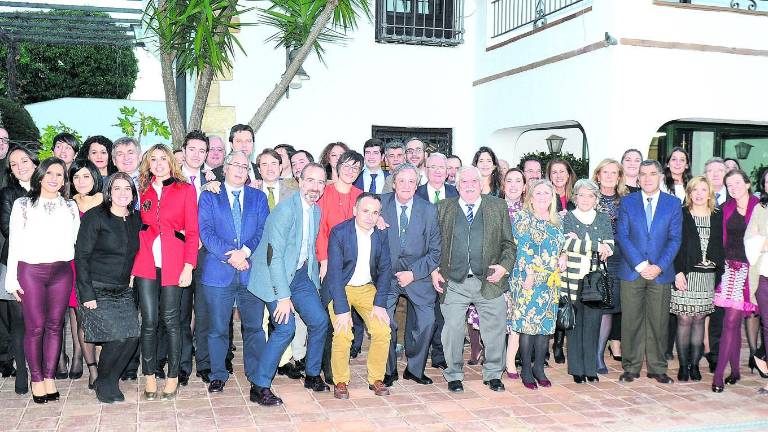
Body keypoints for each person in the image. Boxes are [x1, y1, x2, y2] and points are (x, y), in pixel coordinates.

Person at [247, 163, 330, 406]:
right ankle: (259, 385)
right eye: (310, 181)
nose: (315, 187)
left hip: (299, 275)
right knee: (285, 328)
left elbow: (307, 252)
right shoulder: (285, 210)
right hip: (273, 276)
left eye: (320, 182)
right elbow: (275, 257)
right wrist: (284, 298)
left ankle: (312, 374)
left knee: (319, 320)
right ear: (300, 181)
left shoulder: (315, 211)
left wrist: (313, 284)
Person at [432, 166, 515, 393]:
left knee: (495, 329)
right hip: (454, 281)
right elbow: (431, 243)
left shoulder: (497, 207)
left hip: (488, 280)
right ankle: (454, 374)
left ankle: (493, 374)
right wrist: (433, 270)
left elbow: (508, 244)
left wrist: (504, 267)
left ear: (482, 184)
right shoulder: (443, 208)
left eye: (474, 181)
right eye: (464, 182)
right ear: (457, 185)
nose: (469, 185)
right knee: (453, 329)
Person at [6, 157, 80, 404]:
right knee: (35, 327)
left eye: (59, 174)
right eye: (49, 173)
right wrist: (12, 280)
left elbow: (74, 242)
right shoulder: (23, 204)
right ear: (40, 175)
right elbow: (14, 242)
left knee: (55, 326)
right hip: (30, 272)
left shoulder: (69, 206)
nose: (54, 178)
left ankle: (49, 377)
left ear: (64, 180)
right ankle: (36, 378)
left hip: (61, 272)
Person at [198, 150, 269, 394]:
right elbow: (206, 232)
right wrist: (232, 255)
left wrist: (246, 253)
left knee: (254, 328)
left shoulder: (258, 197)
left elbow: (263, 230)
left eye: (244, 166)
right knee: (217, 328)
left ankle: (256, 374)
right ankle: (218, 374)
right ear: (225, 168)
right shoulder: (209, 196)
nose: (240, 169)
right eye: (235, 165)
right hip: (218, 272)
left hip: (250, 271)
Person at [132, 144, 199, 401]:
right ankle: (148, 376)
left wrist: (188, 266)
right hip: (146, 262)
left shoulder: (185, 190)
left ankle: (173, 377)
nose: (158, 163)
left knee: (172, 321)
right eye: (153, 159)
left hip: (174, 261)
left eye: (163, 158)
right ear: (147, 164)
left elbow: (192, 231)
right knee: (148, 321)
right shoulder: (142, 190)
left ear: (171, 162)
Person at [75, 172, 141, 403]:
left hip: (122, 289)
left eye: (127, 189)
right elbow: (81, 257)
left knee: (132, 336)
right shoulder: (95, 217)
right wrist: (87, 294)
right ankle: (103, 381)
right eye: (117, 188)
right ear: (109, 192)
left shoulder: (135, 218)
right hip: (96, 287)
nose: (122, 193)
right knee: (116, 338)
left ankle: (111, 379)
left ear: (133, 194)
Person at [616, 159, 682, 384]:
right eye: (642, 174)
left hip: (660, 272)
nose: (647, 178)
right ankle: (631, 367)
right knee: (631, 321)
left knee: (659, 321)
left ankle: (657, 367)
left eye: (652, 174)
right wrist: (642, 265)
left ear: (661, 176)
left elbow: (675, 239)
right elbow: (622, 236)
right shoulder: (627, 202)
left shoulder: (673, 204)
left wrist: (658, 266)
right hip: (632, 271)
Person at [325, 193, 393, 399]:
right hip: (341, 288)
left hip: (366, 288)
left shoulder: (380, 234)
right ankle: (341, 381)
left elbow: (385, 269)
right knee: (343, 331)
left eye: (375, 212)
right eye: (365, 211)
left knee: (382, 329)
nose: (370, 217)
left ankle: (376, 378)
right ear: (355, 211)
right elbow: (335, 274)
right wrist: (342, 309)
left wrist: (380, 303)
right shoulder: (340, 232)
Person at [380, 164, 441, 386]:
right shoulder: (379, 204)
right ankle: (388, 370)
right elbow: (359, 218)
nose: (406, 185)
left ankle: (414, 369)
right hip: (386, 275)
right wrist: (372, 220)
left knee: (427, 321)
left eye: (411, 181)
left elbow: (435, 252)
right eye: (402, 181)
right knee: (384, 322)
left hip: (418, 274)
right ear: (394, 183)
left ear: (417, 185)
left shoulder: (429, 210)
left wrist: (413, 274)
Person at [509, 180, 566, 390]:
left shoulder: (557, 220)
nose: (543, 197)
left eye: (547, 193)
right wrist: (529, 274)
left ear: (553, 197)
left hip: (550, 282)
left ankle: (539, 368)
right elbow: (521, 248)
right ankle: (525, 369)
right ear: (531, 197)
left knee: (544, 326)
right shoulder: (523, 218)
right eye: (538, 193)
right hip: (528, 279)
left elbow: (561, 246)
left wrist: (564, 257)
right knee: (527, 326)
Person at [316, 150, 363, 381]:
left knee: (346, 319)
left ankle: (340, 364)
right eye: (347, 165)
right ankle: (327, 368)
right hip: (327, 265)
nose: (350, 170)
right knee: (328, 318)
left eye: (356, 168)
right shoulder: (324, 193)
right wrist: (324, 260)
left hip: (354, 268)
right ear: (337, 165)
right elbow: (320, 229)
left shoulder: (361, 195)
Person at [561, 179, 614, 383]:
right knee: (574, 325)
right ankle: (576, 369)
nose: (585, 199)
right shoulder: (566, 217)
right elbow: (566, 242)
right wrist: (594, 245)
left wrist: (580, 241)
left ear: (596, 198)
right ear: (575, 197)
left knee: (593, 324)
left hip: (595, 281)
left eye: (590, 195)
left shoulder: (603, 218)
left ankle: (590, 368)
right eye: (581, 195)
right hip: (572, 279)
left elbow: (610, 246)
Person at [671, 176, 723, 382]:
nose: (699, 194)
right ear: (689, 193)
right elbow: (674, 245)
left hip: (707, 276)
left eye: (703, 189)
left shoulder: (716, 216)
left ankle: (695, 365)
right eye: (695, 190)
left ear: (709, 193)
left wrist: (716, 262)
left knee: (700, 319)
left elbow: (721, 245)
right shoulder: (681, 214)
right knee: (684, 319)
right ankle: (683, 366)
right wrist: (677, 272)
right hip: (685, 274)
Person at [711, 169, 759, 392]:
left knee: (732, 321)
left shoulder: (760, 207)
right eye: (729, 185)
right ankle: (729, 372)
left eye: (738, 183)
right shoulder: (725, 208)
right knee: (731, 321)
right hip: (729, 268)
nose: (734, 188)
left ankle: (723, 374)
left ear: (748, 184)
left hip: (751, 271)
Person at [0, 145, 36, 394]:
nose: (20, 167)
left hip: (46, 265)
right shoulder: (6, 194)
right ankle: (22, 372)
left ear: (35, 163)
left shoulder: (50, 187)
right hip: (15, 263)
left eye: (24, 160)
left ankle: (40, 369)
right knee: (19, 322)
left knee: (40, 322)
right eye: (14, 164)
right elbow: (7, 230)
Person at [178, 130, 211, 386]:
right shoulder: (172, 179)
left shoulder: (215, 180)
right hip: (179, 254)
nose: (197, 155)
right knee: (181, 312)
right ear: (184, 150)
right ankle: (181, 364)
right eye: (192, 149)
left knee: (204, 311)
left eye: (202, 151)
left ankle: (205, 363)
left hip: (207, 255)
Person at [67, 160, 104, 388]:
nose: (81, 182)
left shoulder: (106, 202)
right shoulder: (67, 205)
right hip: (74, 267)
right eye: (76, 177)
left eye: (86, 176)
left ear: (95, 178)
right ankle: (92, 369)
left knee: (101, 318)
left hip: (102, 268)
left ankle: (103, 363)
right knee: (83, 319)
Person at [591, 159, 628, 374]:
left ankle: (598, 355)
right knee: (591, 307)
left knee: (607, 309)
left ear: (619, 177)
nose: (609, 176)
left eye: (614, 172)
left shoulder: (627, 201)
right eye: (605, 172)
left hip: (617, 260)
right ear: (598, 174)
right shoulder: (589, 196)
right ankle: (587, 351)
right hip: (592, 257)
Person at [545, 158, 575, 363]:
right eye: (554, 172)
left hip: (572, 254)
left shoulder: (576, 197)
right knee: (550, 298)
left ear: (568, 174)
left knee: (565, 299)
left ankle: (558, 344)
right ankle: (544, 344)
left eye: (562, 171)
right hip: (550, 254)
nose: (558, 176)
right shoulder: (545, 196)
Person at [500, 168, 525, 378]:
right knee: (497, 317)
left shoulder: (530, 211)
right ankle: (496, 358)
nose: (514, 185)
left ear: (525, 186)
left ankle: (510, 362)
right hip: (497, 270)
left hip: (521, 272)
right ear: (503, 184)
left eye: (518, 181)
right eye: (509, 181)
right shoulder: (492, 207)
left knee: (516, 318)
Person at [745, 177, 768, 394]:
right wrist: (762, 243)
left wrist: (763, 240)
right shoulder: (760, 209)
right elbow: (749, 241)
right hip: (764, 277)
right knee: (767, 329)